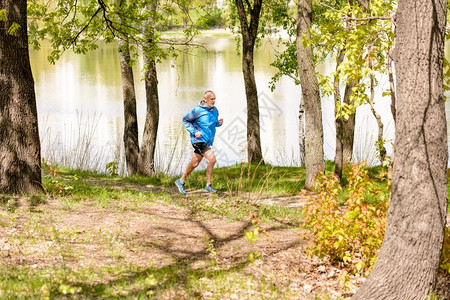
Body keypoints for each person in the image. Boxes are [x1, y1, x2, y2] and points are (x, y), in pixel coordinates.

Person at [175, 90, 223, 195]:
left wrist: (218, 123)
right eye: (212, 99)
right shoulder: (197, 110)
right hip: (199, 140)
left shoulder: (215, 111)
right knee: (212, 159)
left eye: (215, 99)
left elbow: (212, 124)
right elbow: (185, 120)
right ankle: (208, 185)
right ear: (206, 99)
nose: (214, 101)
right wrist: (194, 131)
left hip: (207, 140)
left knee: (195, 163)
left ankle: (181, 181)